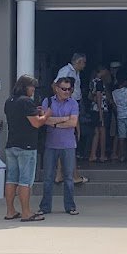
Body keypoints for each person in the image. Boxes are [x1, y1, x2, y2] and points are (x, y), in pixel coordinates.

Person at [2, 75, 49, 222]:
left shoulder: (9, 101)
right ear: (25, 87)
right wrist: (46, 115)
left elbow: (20, 116)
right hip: (26, 146)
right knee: (25, 180)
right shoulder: (26, 101)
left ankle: (10, 211)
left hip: (11, 145)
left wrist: (35, 110)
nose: (33, 90)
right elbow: (36, 123)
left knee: (11, 179)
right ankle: (26, 212)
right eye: (31, 87)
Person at [40, 77, 80, 215]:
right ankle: (45, 207)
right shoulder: (48, 101)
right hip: (51, 145)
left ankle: (70, 206)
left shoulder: (74, 103)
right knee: (48, 178)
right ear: (57, 88)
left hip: (68, 145)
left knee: (69, 178)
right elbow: (44, 120)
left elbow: (73, 123)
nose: (67, 92)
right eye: (64, 89)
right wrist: (64, 119)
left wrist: (54, 123)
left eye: (69, 89)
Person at [55, 54, 89, 185]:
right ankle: (74, 176)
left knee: (63, 144)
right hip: (69, 108)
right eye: (83, 62)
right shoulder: (66, 71)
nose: (84, 65)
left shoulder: (75, 73)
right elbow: (55, 84)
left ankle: (59, 175)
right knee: (71, 143)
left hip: (71, 106)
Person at [87, 66, 111, 163]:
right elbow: (99, 97)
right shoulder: (100, 82)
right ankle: (102, 155)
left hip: (94, 109)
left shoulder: (92, 81)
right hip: (101, 110)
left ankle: (93, 154)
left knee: (96, 133)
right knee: (102, 133)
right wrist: (101, 115)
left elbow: (90, 96)